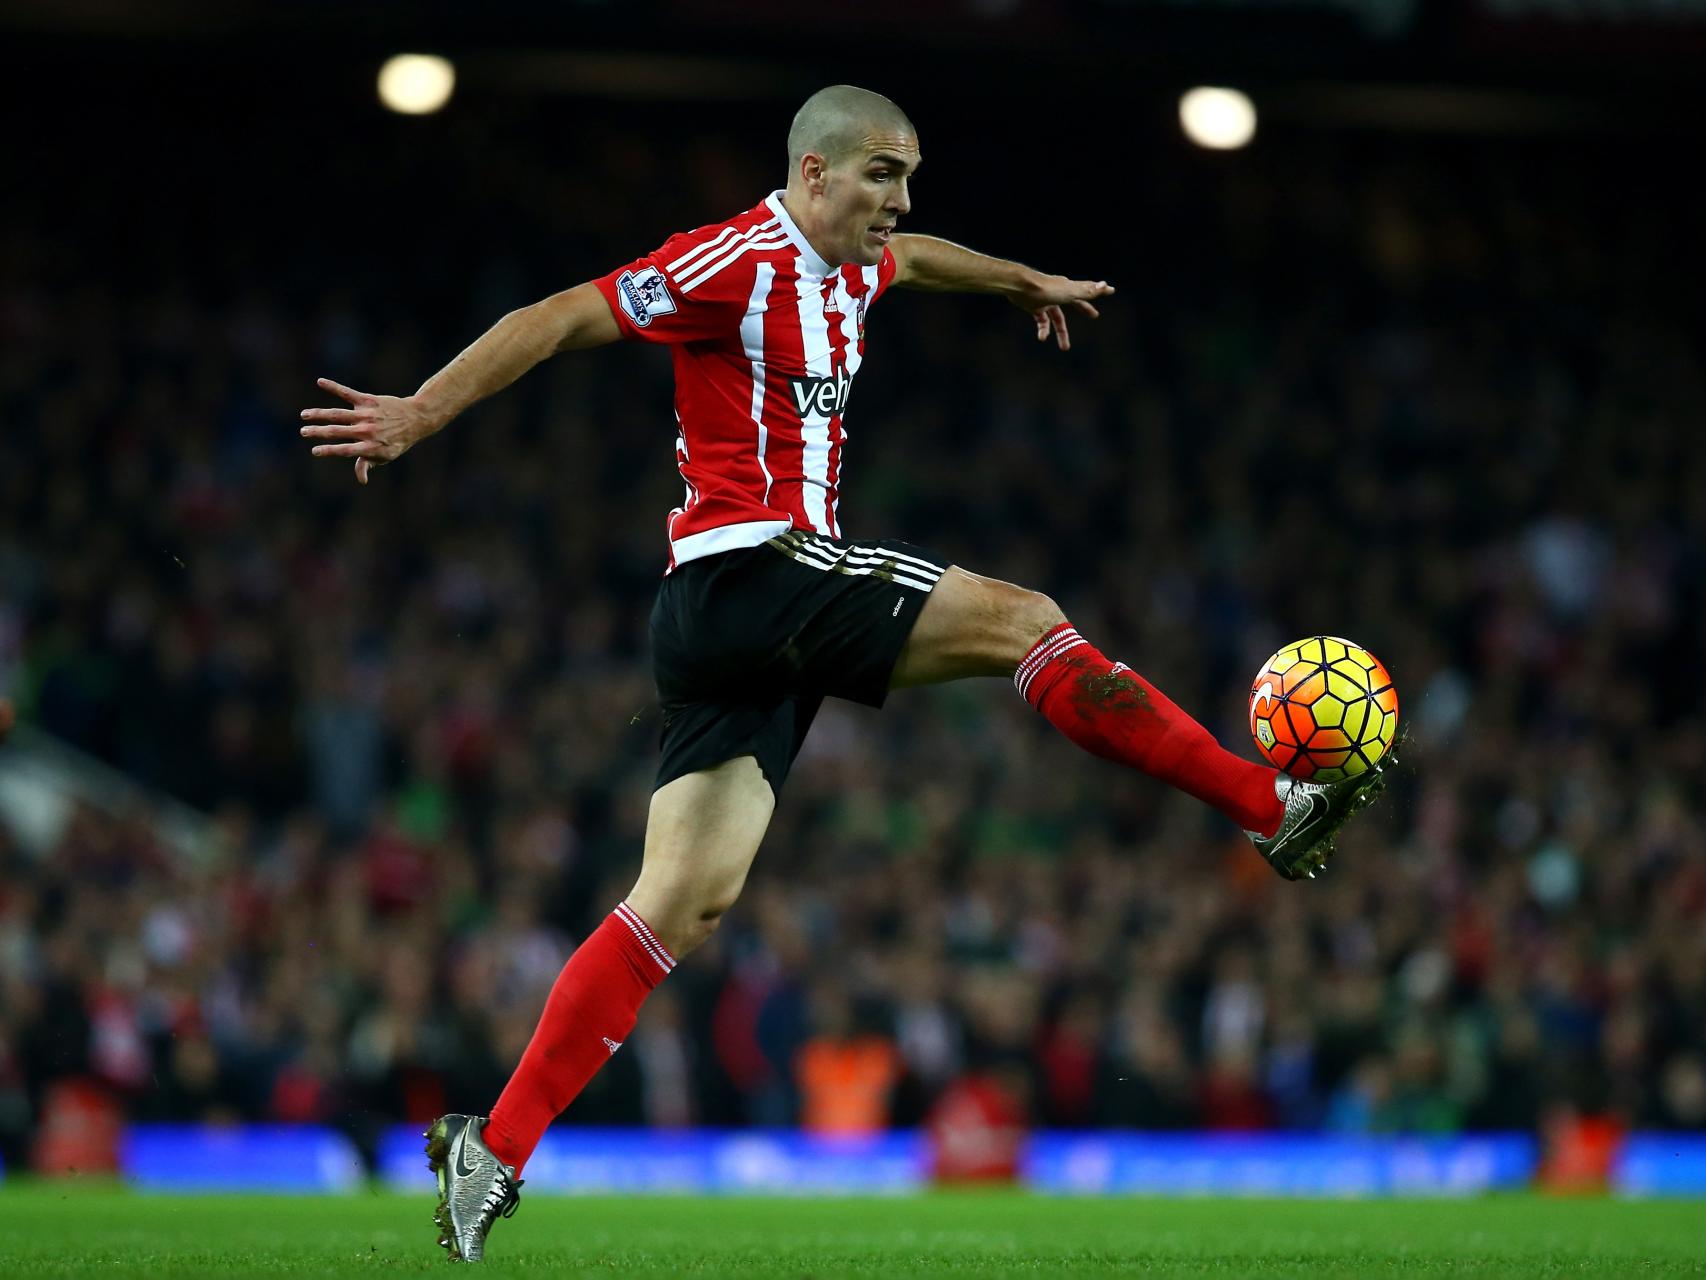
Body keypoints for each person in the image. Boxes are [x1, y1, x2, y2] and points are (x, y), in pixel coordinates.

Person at [300, 84, 1393, 1261]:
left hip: (727, 627)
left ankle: (494, 1147)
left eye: (908, 173)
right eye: (879, 174)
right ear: (811, 174)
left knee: (679, 900)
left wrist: (1022, 278)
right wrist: (420, 410)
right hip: (752, 571)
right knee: (1027, 620)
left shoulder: (860, 263)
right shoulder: (733, 258)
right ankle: (1268, 806)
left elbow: (919, 259)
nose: (899, 200)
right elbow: (561, 314)